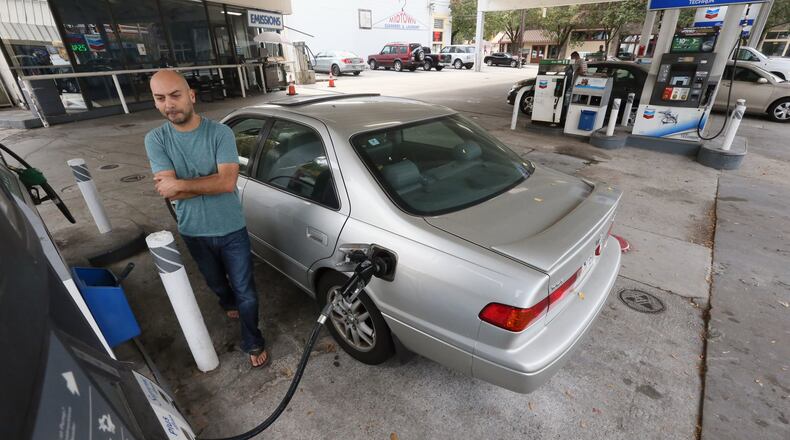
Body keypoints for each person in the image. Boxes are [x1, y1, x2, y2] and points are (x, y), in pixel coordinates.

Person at [144, 70, 269, 368]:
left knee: (246, 292)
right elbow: (168, 192)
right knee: (215, 282)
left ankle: (253, 341)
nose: (169, 104)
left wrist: (181, 184)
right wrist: (201, 182)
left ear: (191, 96)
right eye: (160, 98)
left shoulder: (220, 133)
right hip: (193, 231)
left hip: (232, 228)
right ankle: (226, 302)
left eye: (175, 95)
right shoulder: (156, 139)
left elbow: (226, 184)